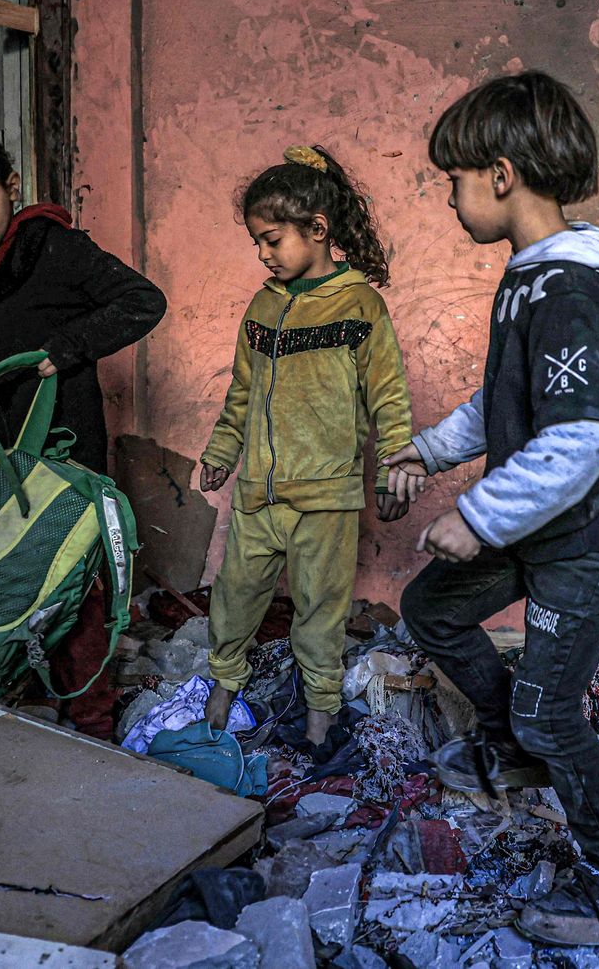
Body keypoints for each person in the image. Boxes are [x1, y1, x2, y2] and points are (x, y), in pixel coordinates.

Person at [381, 72, 599, 947]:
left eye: (455, 180)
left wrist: (475, 515)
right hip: (544, 520)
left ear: (501, 175)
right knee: (432, 606)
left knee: (554, 707)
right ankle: (516, 742)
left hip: (589, 532)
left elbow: (577, 442)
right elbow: (507, 403)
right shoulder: (530, 280)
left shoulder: (570, 293)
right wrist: (425, 452)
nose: (451, 198)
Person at [0, 132, 166, 737]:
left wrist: (64, 350)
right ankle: (28, 702)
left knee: (72, 578)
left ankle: (92, 717)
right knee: (8, 572)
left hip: (63, 447)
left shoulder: (53, 247)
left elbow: (143, 301)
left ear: (12, 190)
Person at [197, 145, 419, 747]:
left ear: (317, 230)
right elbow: (242, 391)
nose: (264, 255)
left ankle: (320, 721)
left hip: (326, 500)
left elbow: (389, 396)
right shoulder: (265, 305)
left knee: (320, 613)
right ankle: (220, 699)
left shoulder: (360, 306)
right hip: (258, 495)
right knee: (235, 598)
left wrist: (396, 465)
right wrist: (221, 452)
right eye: (257, 245)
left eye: (272, 240)